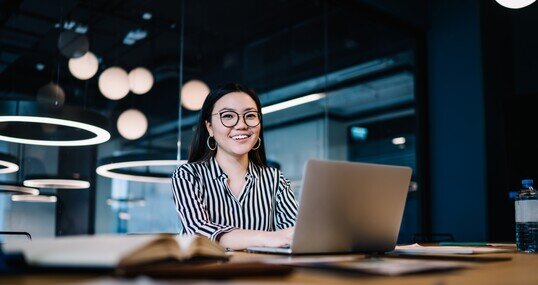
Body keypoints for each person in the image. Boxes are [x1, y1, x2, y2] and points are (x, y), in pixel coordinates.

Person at [171, 83, 298, 250]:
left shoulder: (275, 179)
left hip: (261, 274)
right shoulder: (188, 175)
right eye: (228, 116)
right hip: (206, 274)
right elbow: (199, 232)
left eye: (250, 116)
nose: (241, 125)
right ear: (209, 127)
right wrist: (265, 238)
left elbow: (294, 232)